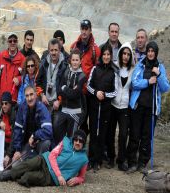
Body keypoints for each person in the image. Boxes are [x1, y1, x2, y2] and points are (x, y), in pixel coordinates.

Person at [127, 41, 169, 173]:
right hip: (138, 106)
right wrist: (148, 81)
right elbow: (134, 83)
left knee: (147, 136)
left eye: (153, 51)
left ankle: (143, 163)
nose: (150, 53)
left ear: (155, 53)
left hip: (151, 108)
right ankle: (132, 162)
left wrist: (159, 75)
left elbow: (165, 88)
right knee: (135, 134)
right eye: (148, 51)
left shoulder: (160, 67)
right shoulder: (140, 65)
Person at [0, 130, 88, 189]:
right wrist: (60, 175)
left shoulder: (84, 159)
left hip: (52, 178)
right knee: (28, 164)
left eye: (80, 141)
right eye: (76, 140)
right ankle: (8, 174)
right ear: (73, 140)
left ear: (84, 143)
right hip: (45, 160)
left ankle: (17, 175)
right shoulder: (65, 142)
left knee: (27, 178)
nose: (77, 142)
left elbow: (82, 177)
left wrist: (76, 180)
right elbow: (52, 155)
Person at [86, 44, 117, 172]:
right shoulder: (95, 68)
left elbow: (115, 92)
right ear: (101, 55)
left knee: (102, 134)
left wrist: (104, 95)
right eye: (104, 54)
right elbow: (88, 85)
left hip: (105, 109)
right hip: (94, 107)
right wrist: (96, 93)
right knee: (93, 133)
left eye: (108, 54)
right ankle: (91, 159)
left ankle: (98, 161)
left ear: (111, 56)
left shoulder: (113, 72)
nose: (106, 56)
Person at [106, 43, 134, 171]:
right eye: (124, 53)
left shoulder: (133, 70)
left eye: (128, 54)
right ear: (120, 53)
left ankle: (121, 160)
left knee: (123, 134)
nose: (126, 56)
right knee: (110, 133)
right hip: (113, 105)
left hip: (124, 107)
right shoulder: (114, 66)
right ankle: (111, 158)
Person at [70, 19, 101, 134]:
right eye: (82, 28)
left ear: (90, 30)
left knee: (84, 120)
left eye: (86, 29)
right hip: (75, 91)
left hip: (88, 92)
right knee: (74, 119)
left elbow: (97, 71)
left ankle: (81, 145)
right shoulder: (73, 46)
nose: (84, 31)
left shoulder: (95, 50)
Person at [11, 85, 53, 163]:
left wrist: (34, 136)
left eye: (31, 94)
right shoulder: (22, 107)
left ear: (36, 95)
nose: (29, 98)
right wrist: (17, 150)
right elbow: (17, 130)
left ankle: (41, 164)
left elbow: (48, 131)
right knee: (15, 165)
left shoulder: (42, 108)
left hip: (40, 142)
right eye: (27, 96)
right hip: (28, 144)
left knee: (47, 143)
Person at [55, 49, 86, 145]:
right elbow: (59, 89)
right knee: (58, 132)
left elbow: (75, 94)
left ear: (80, 61)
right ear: (70, 61)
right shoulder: (66, 72)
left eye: (77, 60)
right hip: (64, 109)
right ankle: (60, 155)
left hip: (75, 112)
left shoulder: (82, 76)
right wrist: (68, 90)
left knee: (71, 137)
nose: (75, 62)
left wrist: (65, 88)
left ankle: (70, 157)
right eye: (73, 60)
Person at [36, 38, 68, 131]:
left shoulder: (64, 66)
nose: (53, 53)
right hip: (44, 102)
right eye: (51, 50)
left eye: (56, 50)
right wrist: (42, 95)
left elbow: (66, 87)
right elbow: (37, 82)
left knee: (56, 128)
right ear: (48, 50)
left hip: (57, 105)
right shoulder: (43, 63)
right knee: (43, 126)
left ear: (60, 50)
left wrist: (59, 101)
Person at [0, 33, 26, 103]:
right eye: (10, 41)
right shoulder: (1, 57)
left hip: (15, 99)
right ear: (7, 42)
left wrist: (19, 79)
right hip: (2, 99)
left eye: (14, 41)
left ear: (17, 42)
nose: (12, 43)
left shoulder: (22, 59)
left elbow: (26, 76)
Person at [0, 92, 17, 168]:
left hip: (12, 144)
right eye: (2, 103)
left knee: (11, 164)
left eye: (6, 103)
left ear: (10, 104)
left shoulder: (15, 114)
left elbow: (14, 137)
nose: (4, 106)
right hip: (2, 144)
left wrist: (8, 155)